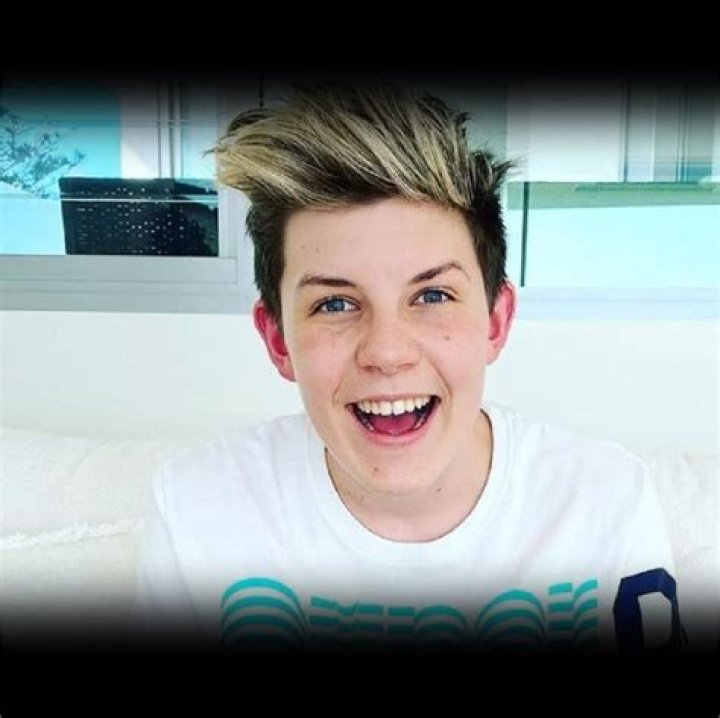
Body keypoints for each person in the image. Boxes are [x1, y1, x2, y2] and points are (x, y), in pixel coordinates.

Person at [131, 80, 681, 656]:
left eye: (432, 296)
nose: (387, 353)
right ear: (278, 341)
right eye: (335, 304)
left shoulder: (605, 498)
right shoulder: (196, 507)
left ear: (495, 322)